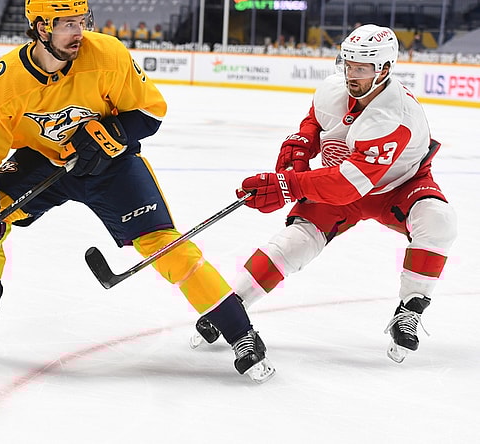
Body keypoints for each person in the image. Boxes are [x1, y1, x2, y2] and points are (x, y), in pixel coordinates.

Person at [0, 0, 274, 383]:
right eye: (67, 24)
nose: (79, 32)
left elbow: (150, 111)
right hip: (44, 162)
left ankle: (241, 333)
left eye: (82, 21)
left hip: (111, 167)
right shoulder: (5, 80)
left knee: (165, 246)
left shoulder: (107, 53)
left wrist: (112, 134)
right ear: (41, 28)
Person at [192, 24, 457, 366]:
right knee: (295, 242)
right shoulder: (332, 90)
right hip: (345, 178)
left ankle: (411, 307)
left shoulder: (394, 117)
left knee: (439, 221)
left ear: (385, 69)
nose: (352, 74)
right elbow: (314, 123)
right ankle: (232, 306)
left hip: (398, 186)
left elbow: (348, 185)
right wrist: (301, 145)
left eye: (361, 68)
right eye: (348, 65)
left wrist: (289, 185)